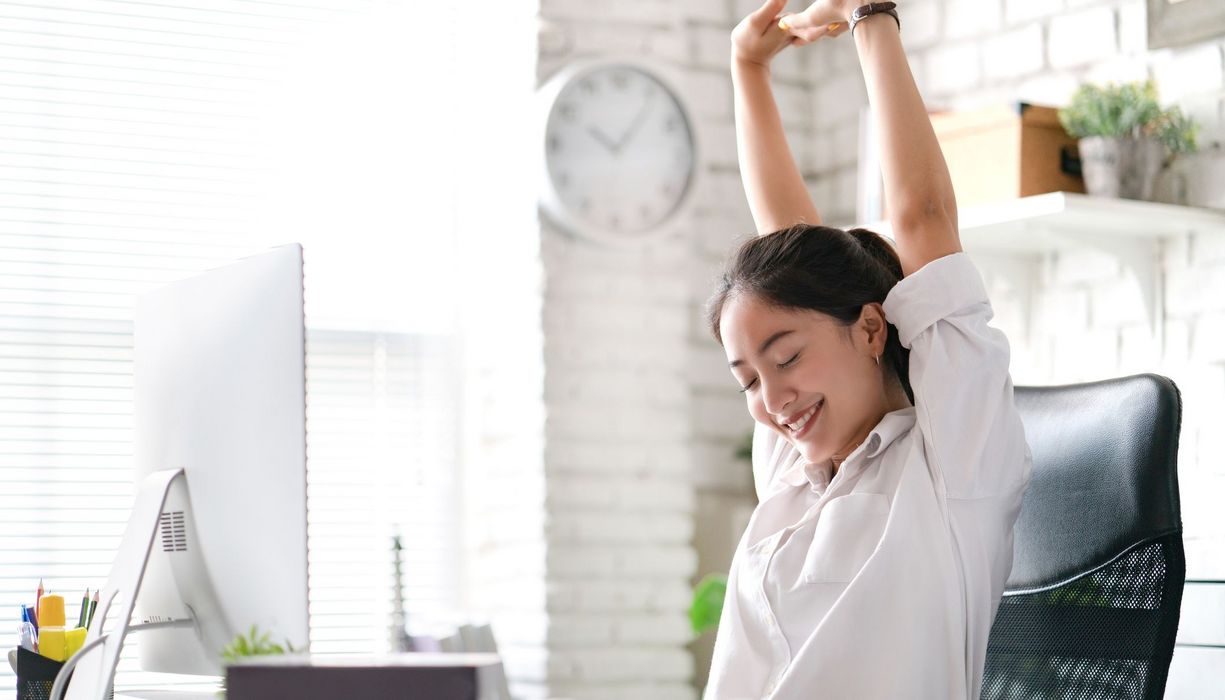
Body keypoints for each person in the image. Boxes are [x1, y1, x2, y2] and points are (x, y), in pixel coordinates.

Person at [702, 1, 1034, 697]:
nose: (771, 401)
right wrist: (748, 68)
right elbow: (788, 257)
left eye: (785, 359)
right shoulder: (794, 472)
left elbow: (921, 217)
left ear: (871, 329)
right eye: (748, 381)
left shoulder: (952, 465)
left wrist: (869, 15)